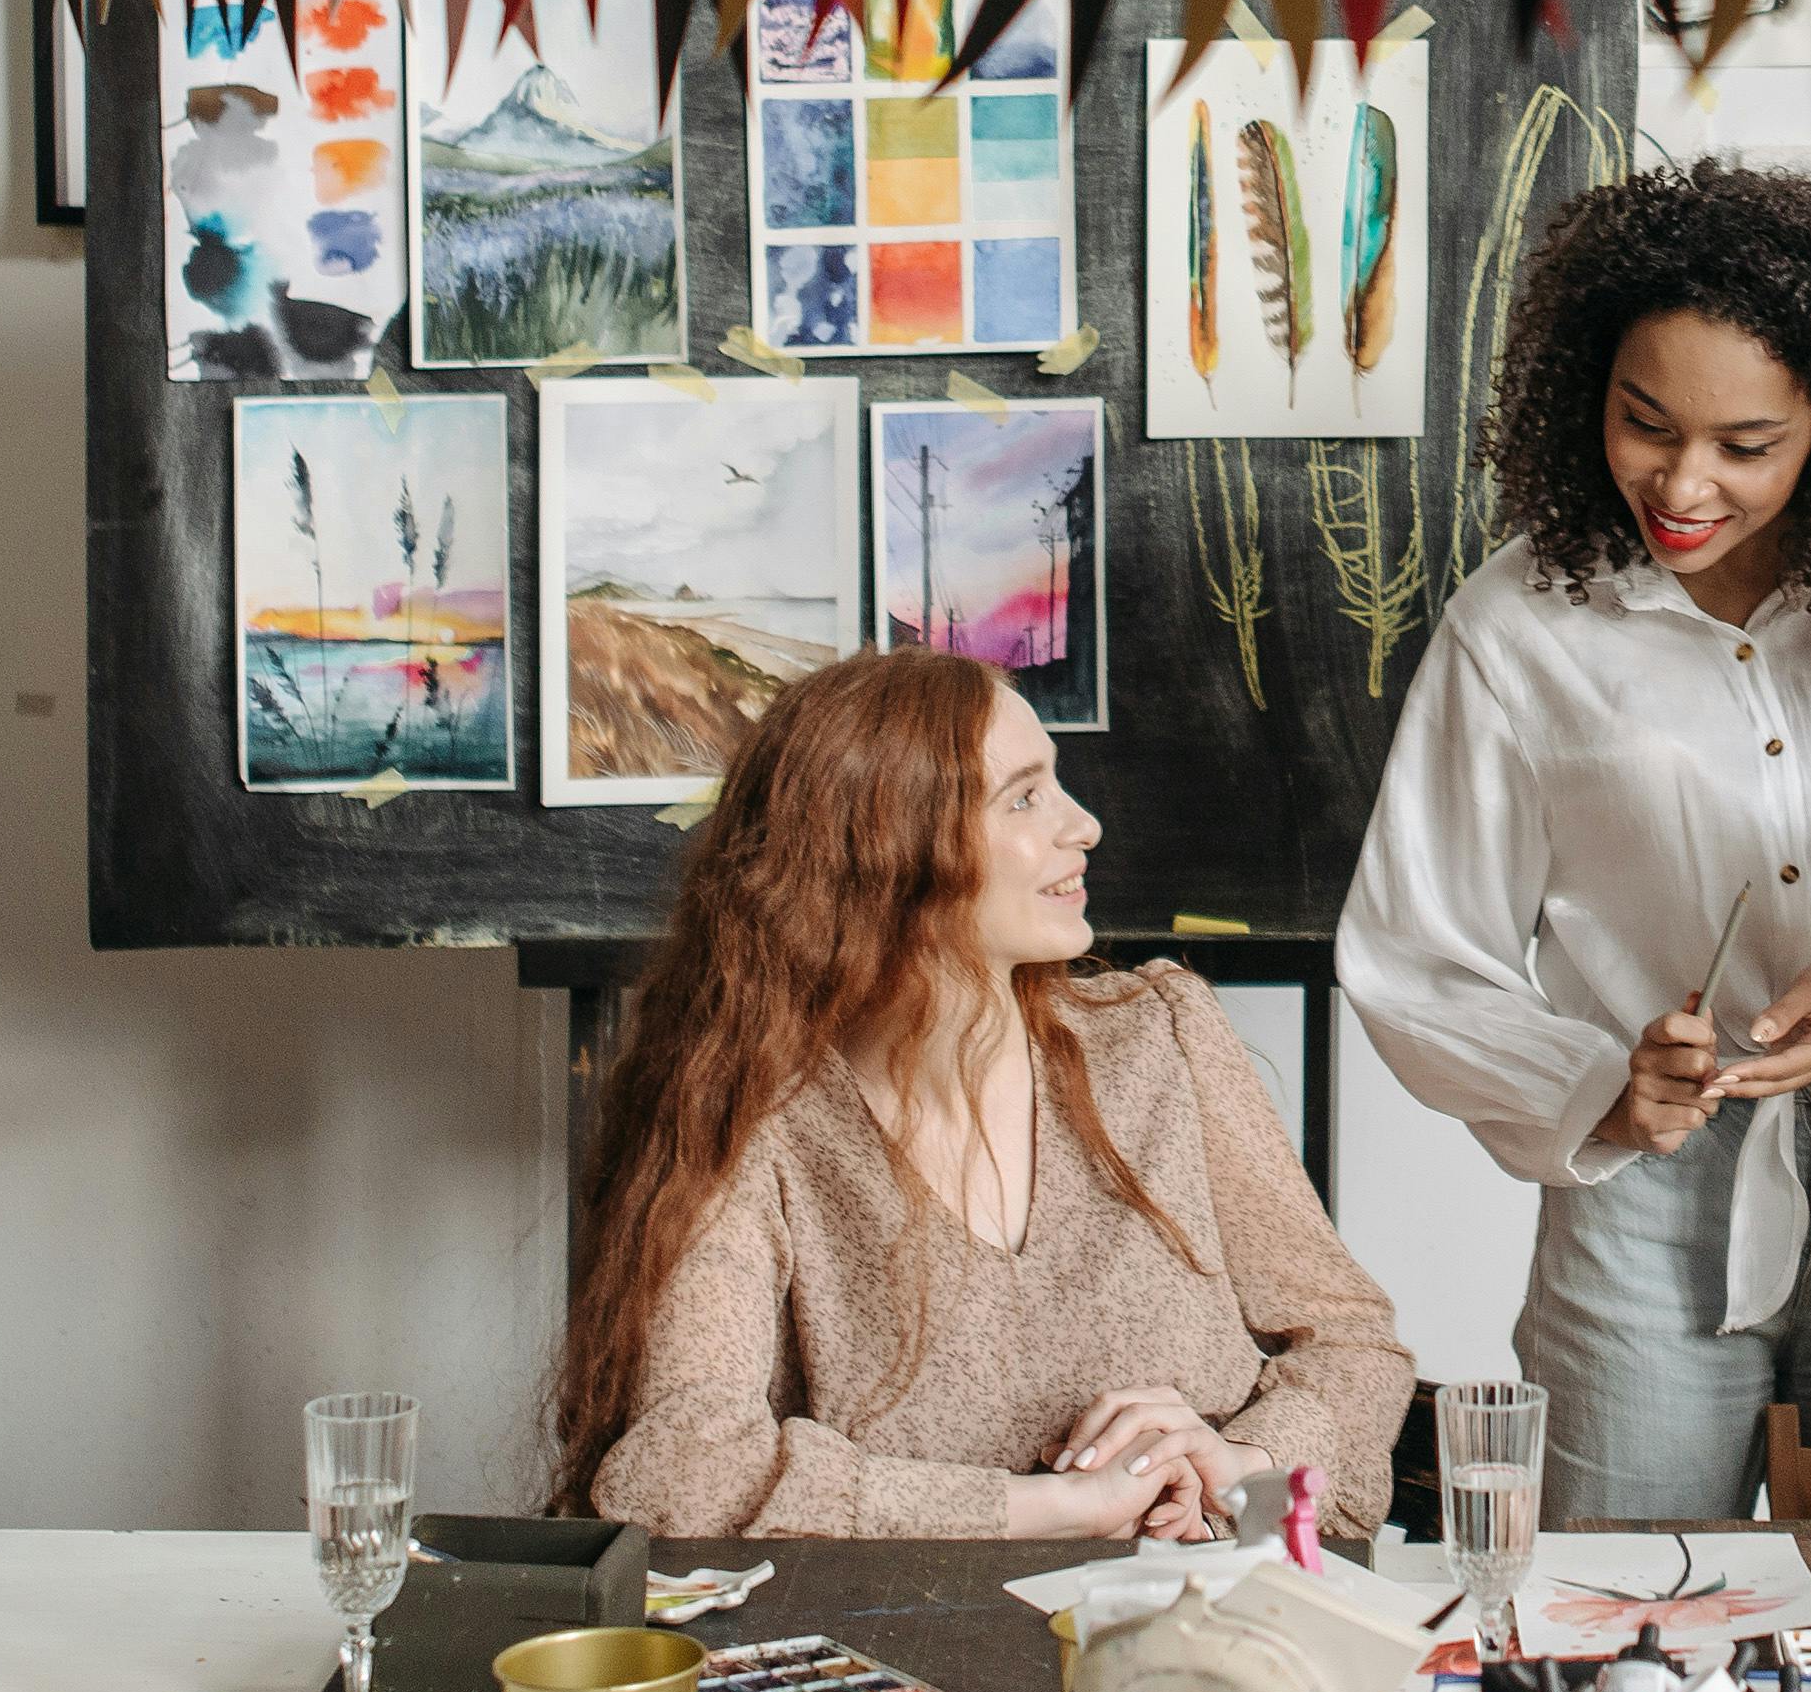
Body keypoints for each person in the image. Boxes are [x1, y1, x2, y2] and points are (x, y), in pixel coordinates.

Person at [1343, 158, 1811, 1526]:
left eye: (1746, 444)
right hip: (1643, 1206)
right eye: (1643, 422)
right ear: (1586, 397)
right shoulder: (1519, 631)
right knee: (1619, 1621)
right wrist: (1607, 1084)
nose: (1681, 481)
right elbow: (1413, 956)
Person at [551, 650, 1412, 1536]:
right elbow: (678, 1473)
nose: (1085, 826)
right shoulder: (754, 1119)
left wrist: (1244, 1477)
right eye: (1024, 797)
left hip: (1216, 1634)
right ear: (890, 849)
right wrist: (1051, 1508)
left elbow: (1352, 1349)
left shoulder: (1160, 1036)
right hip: (916, 1663)